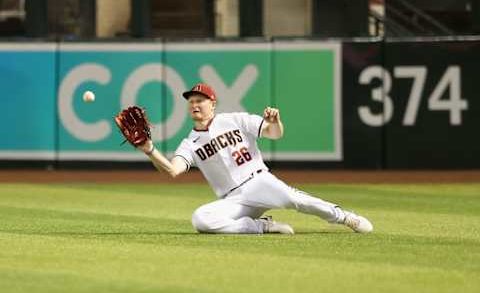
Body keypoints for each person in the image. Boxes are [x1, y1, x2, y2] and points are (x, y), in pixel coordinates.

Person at [138, 83, 373, 234]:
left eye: (200, 100)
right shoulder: (190, 142)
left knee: (296, 200)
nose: (195, 104)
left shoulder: (236, 119)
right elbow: (172, 170)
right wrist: (150, 149)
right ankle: (261, 226)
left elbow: (274, 133)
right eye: (191, 101)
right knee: (201, 220)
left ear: (213, 104)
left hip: (258, 182)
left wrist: (275, 121)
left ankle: (344, 217)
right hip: (234, 200)